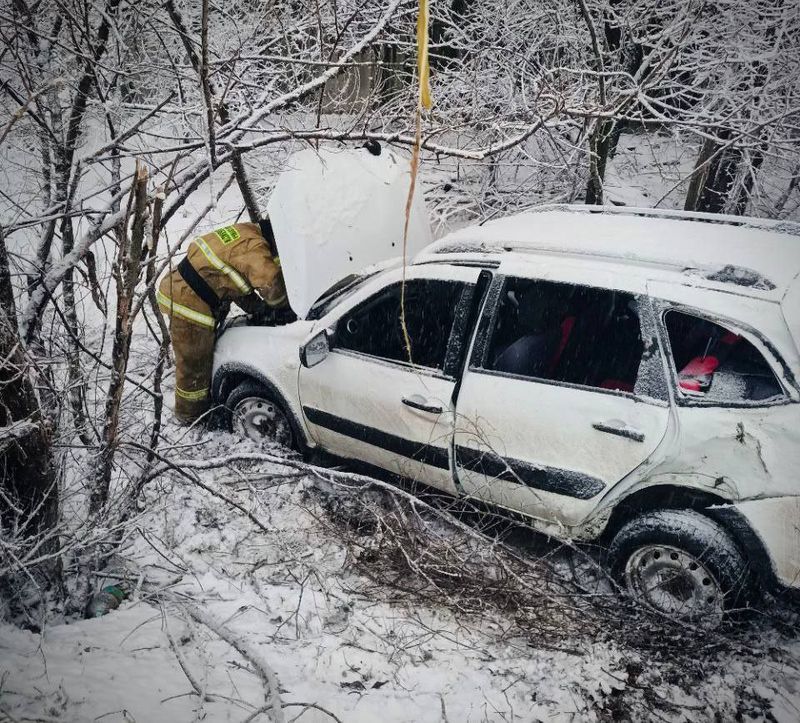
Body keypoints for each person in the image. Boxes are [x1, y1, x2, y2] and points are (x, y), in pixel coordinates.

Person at [158, 219, 290, 424]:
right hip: (187, 301)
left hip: (185, 289)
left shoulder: (247, 231)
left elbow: (234, 281)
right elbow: (271, 285)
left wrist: (259, 309)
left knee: (200, 357)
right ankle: (191, 417)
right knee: (195, 364)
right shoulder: (254, 248)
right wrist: (286, 308)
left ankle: (202, 405)